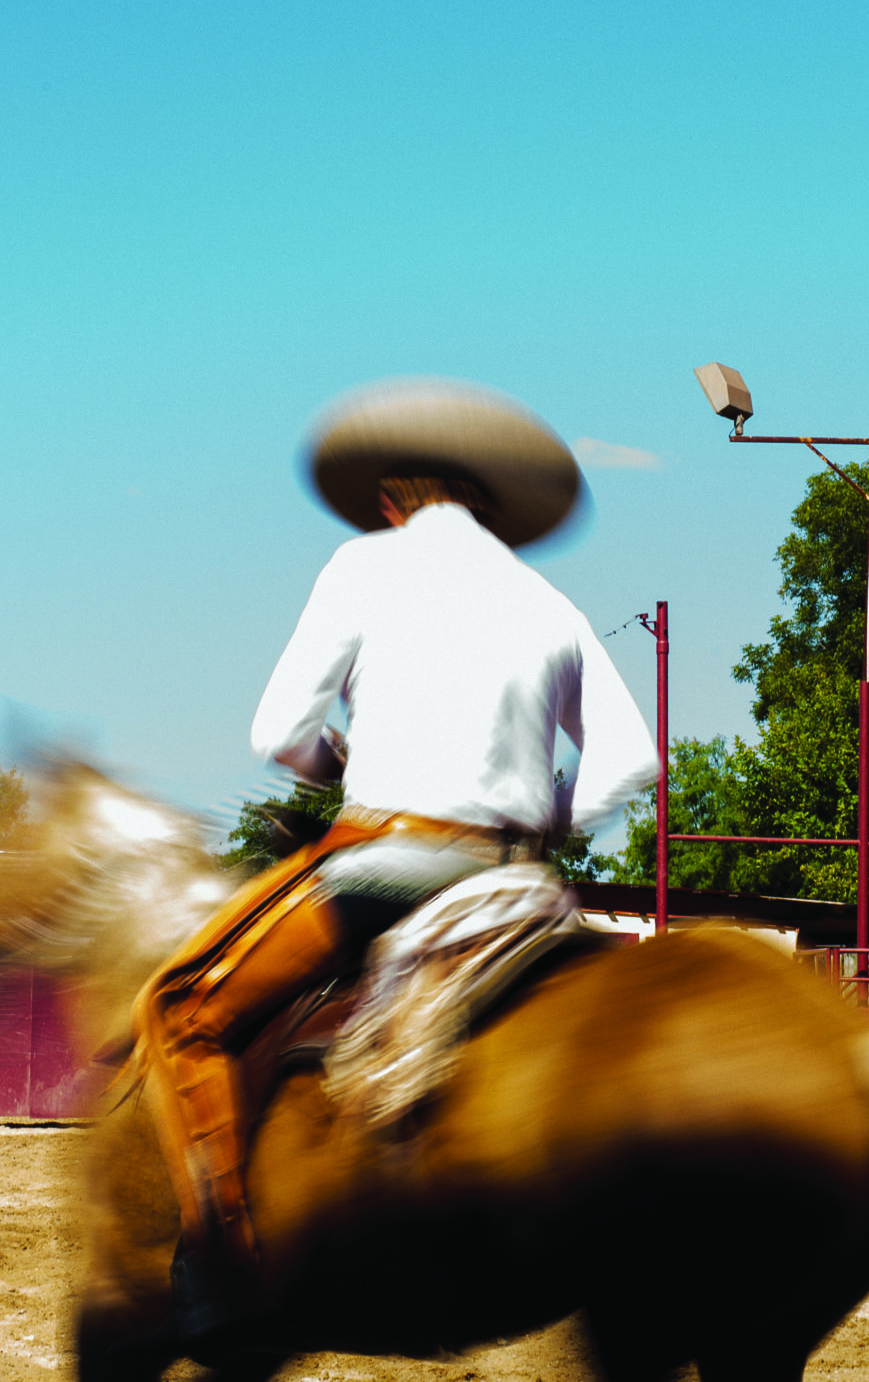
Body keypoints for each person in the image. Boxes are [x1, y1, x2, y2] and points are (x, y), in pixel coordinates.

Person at [131, 379, 659, 1332]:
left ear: (389, 499)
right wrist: (550, 821)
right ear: (495, 510)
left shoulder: (363, 565)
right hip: (517, 885)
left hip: (386, 863)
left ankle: (221, 1273)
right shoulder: (551, 601)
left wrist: (335, 761)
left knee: (173, 1009)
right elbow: (633, 761)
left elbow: (278, 731)